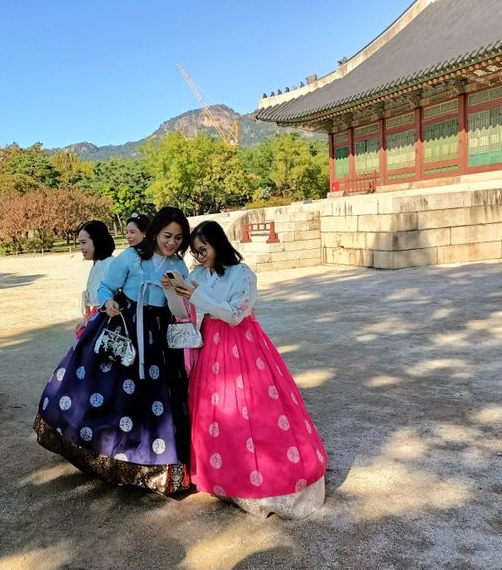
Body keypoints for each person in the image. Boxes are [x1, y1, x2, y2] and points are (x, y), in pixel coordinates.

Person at [171, 221, 328, 518]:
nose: (200, 256)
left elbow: (235, 314)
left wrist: (196, 296)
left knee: (254, 409)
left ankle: (267, 478)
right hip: (210, 347)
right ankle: (224, 476)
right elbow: (184, 312)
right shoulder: (197, 275)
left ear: (218, 243)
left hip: (243, 344)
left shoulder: (242, 274)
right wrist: (175, 292)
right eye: (195, 252)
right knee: (218, 412)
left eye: (203, 249)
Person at [34, 206, 192, 494]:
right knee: (113, 391)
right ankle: (109, 453)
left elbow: (180, 309)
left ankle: (155, 462)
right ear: (155, 232)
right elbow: (107, 287)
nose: (172, 243)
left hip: (159, 333)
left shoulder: (179, 266)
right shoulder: (131, 257)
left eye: (179, 238)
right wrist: (108, 303)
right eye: (167, 236)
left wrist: (173, 292)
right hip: (127, 325)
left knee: (160, 395)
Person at [74, 220, 115, 339]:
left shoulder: (110, 264)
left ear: (97, 241)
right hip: (94, 320)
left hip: (104, 323)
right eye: (80, 243)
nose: (81, 247)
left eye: (84, 242)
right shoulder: (97, 264)